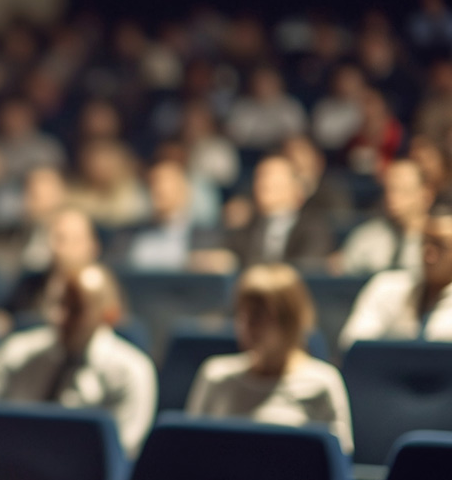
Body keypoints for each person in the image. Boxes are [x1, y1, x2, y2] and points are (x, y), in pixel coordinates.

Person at [0, 263, 157, 458]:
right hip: (5, 468)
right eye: (58, 304)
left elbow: (119, 454)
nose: (59, 317)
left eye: (75, 309)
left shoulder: (132, 371)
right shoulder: (18, 351)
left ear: (109, 316)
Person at [186, 264, 354, 454]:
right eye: (242, 314)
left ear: (289, 321)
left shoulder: (322, 382)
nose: (246, 325)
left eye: (258, 316)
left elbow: (336, 461)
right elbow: (191, 451)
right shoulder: (215, 375)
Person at [339, 200, 452, 350]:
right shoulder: (386, 286)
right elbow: (352, 347)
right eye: (425, 242)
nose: (429, 255)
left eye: (440, 246)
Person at [336, 159, 434, 276]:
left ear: (426, 195)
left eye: (403, 190)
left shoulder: (439, 243)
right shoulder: (366, 236)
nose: (393, 197)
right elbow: (339, 276)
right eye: (389, 189)